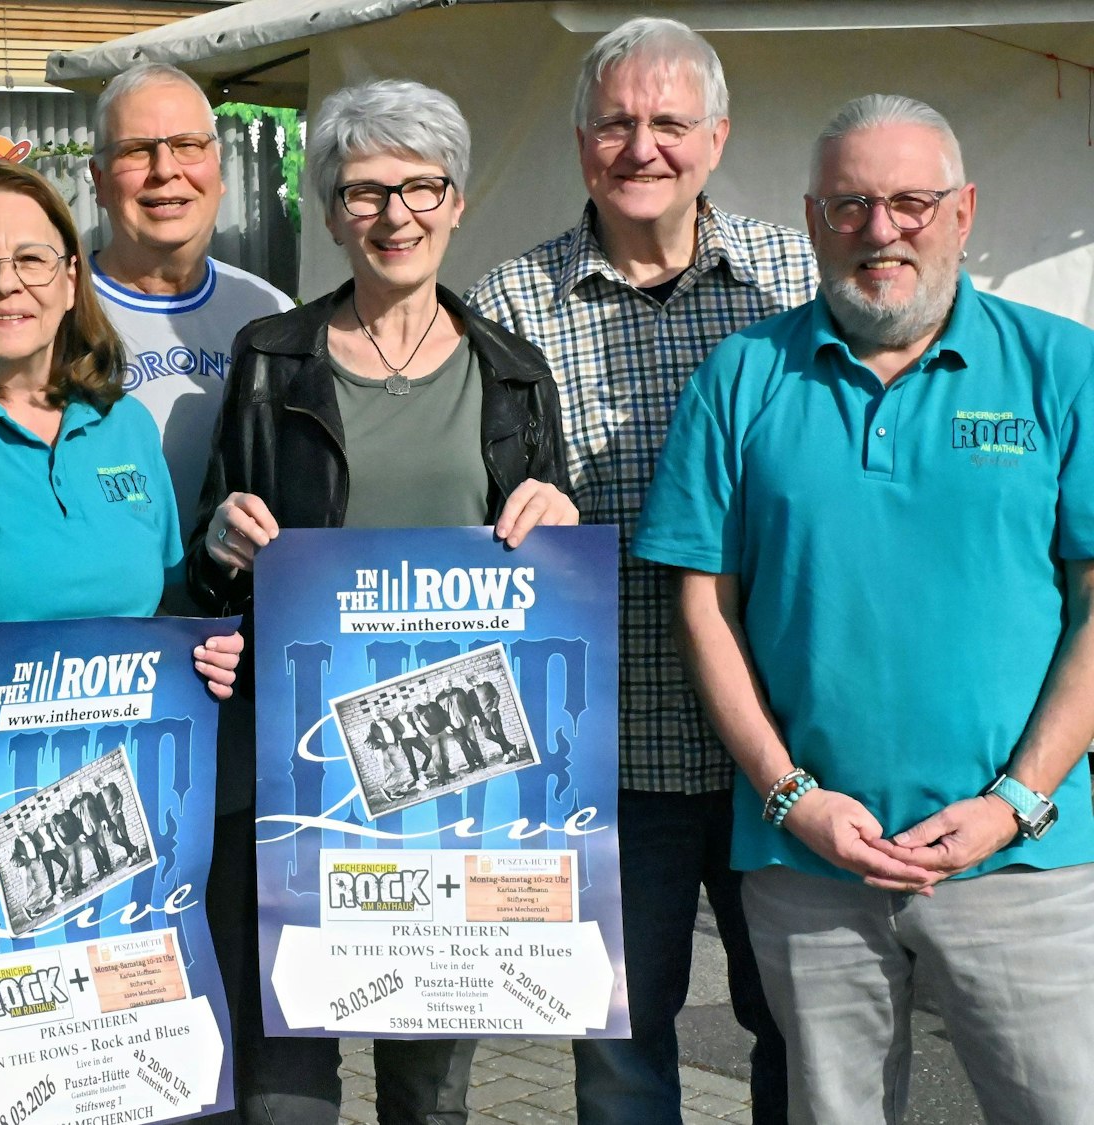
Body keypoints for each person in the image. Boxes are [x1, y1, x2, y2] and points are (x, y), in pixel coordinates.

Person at [637, 93, 1094, 1125]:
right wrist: (786, 794)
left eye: (908, 202)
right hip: (807, 866)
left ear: (962, 210)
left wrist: (1012, 803)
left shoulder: (1060, 367)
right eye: (848, 207)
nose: (879, 231)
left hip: (1020, 860)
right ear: (810, 218)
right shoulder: (743, 376)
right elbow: (702, 609)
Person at [190, 78, 576, 1125]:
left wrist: (556, 515)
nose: (393, 214)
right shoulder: (271, 360)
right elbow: (211, 562)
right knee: (283, 1086)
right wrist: (225, 545)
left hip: (450, 772)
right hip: (297, 758)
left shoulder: (511, 374)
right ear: (328, 211)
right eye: (363, 191)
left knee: (427, 1092)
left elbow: (543, 580)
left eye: (419, 187)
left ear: (454, 203)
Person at [465, 18, 814, 1123]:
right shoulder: (507, 304)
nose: (640, 147)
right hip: (602, 753)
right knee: (616, 1040)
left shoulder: (793, 284)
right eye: (615, 122)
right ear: (579, 142)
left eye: (668, 123)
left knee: (802, 1033)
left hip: (784, 738)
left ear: (714, 138)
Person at [0, 159, 245, 1118]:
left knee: (118, 1090)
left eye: (33, 259)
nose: (8, 285)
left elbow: (164, 606)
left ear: (72, 278)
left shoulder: (120, 426)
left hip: (122, 844)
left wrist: (202, 656)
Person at [89, 63, 295, 540]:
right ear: (98, 180)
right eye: (137, 151)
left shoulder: (270, 312)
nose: (166, 171)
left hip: (242, 604)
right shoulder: (50, 313)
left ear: (219, 168)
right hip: (106, 611)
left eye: (188, 146)